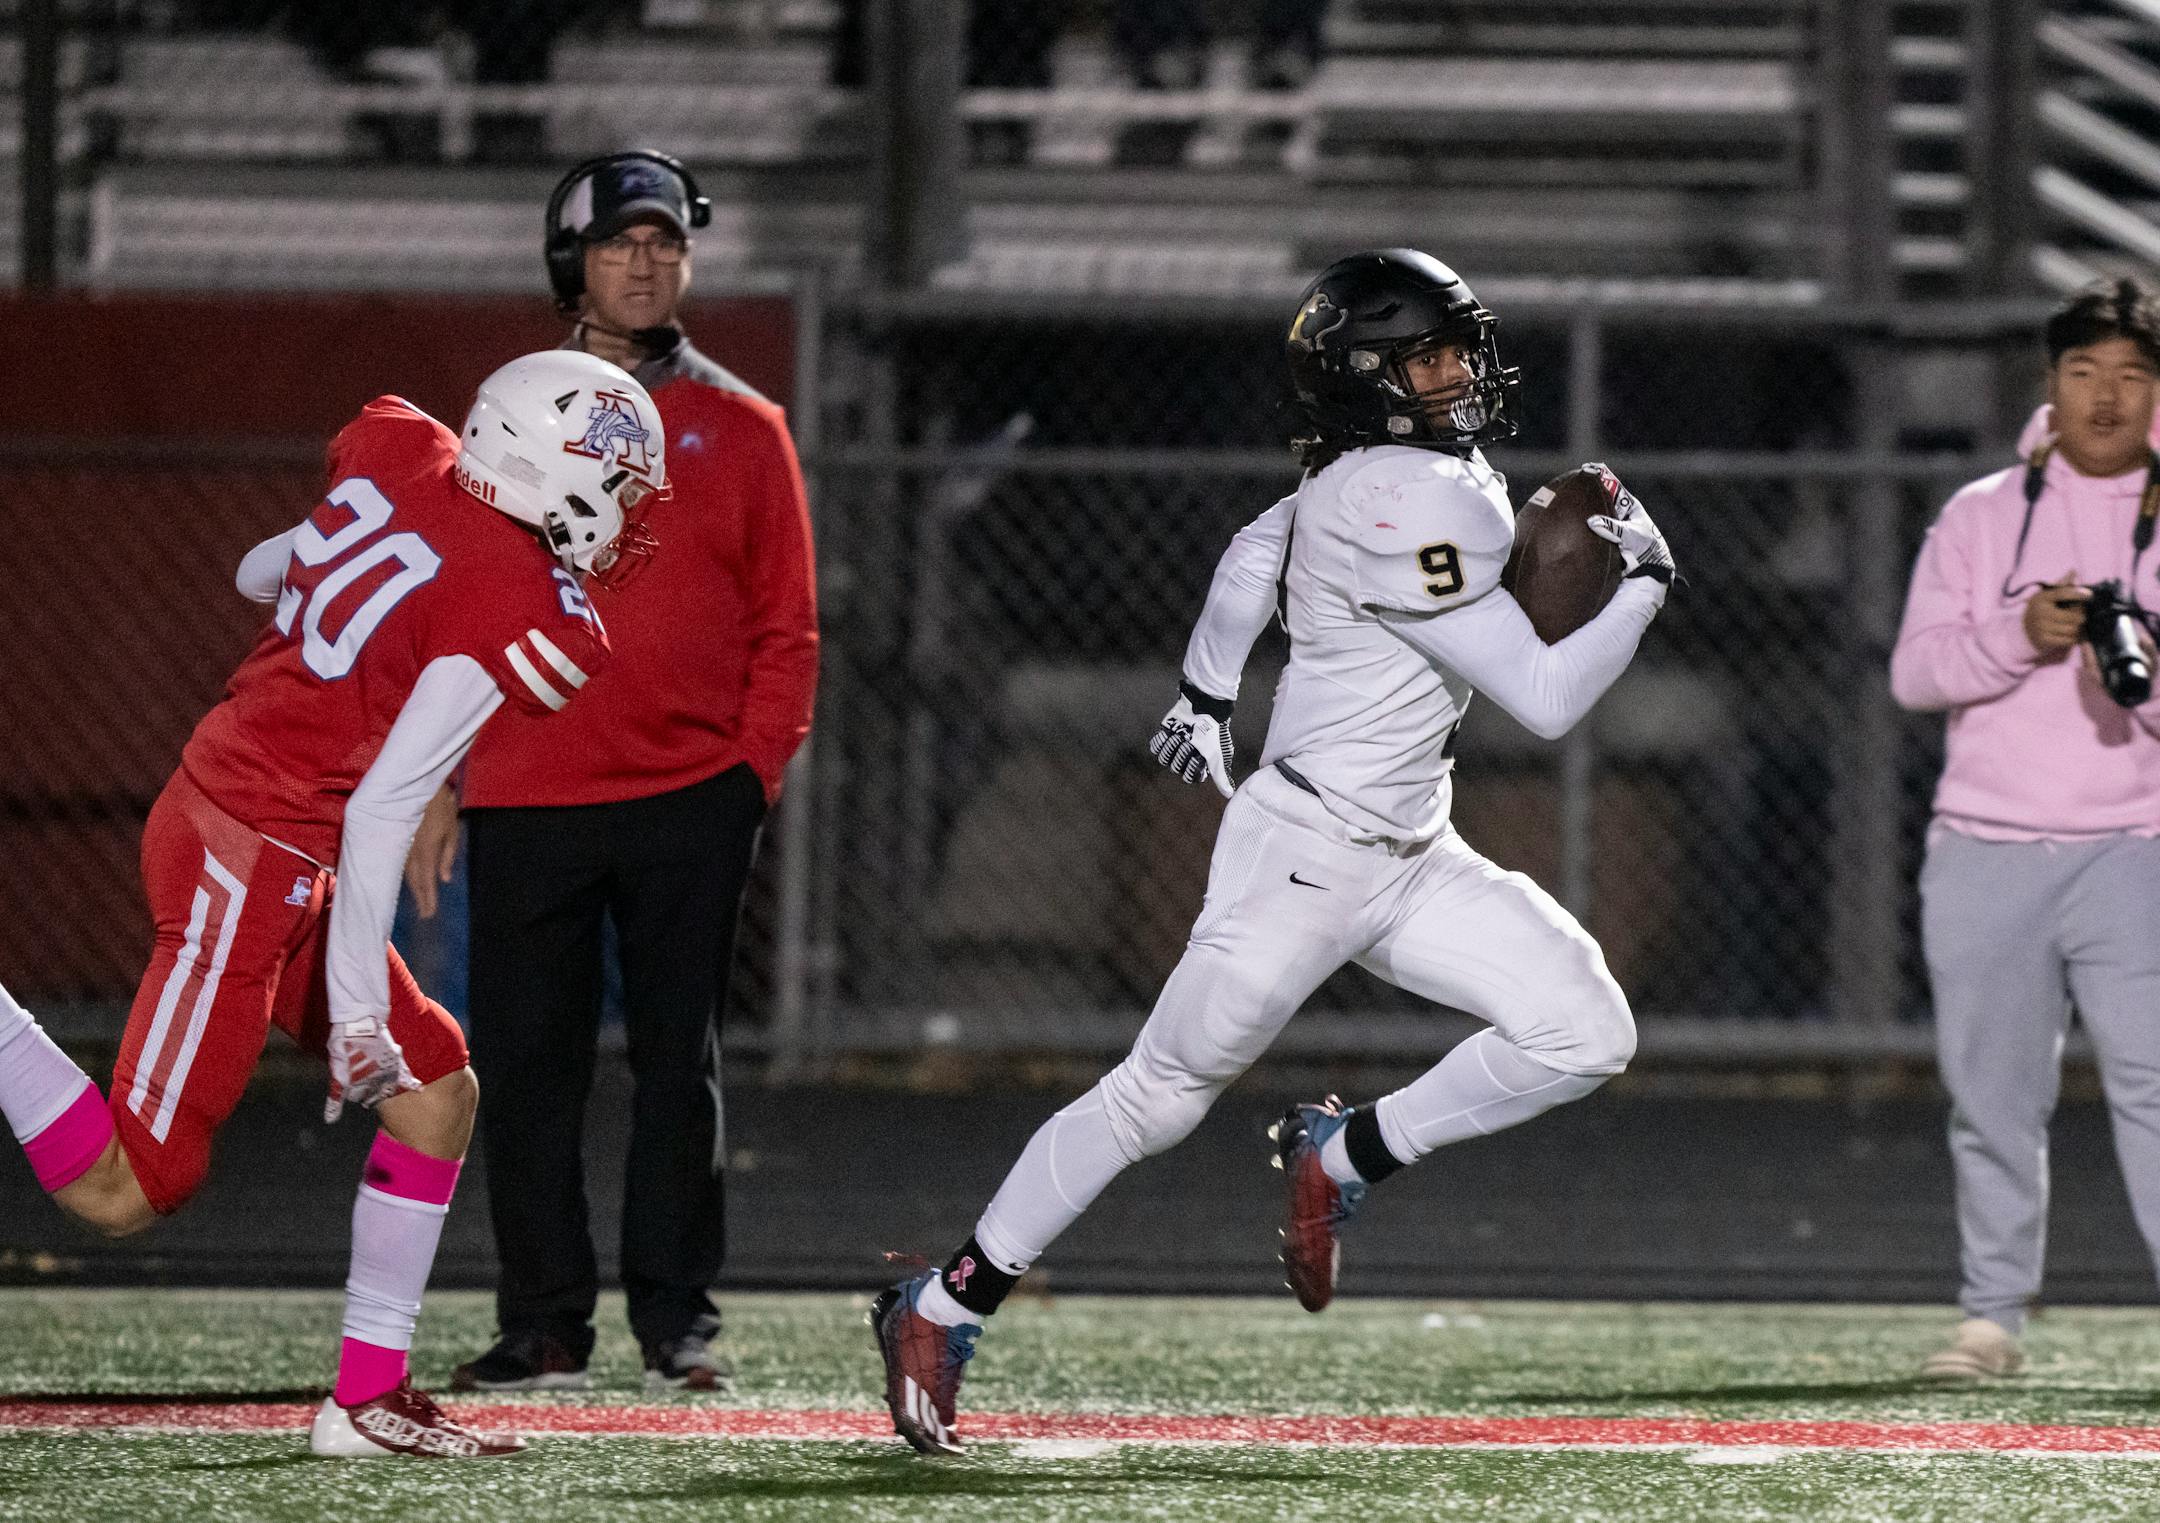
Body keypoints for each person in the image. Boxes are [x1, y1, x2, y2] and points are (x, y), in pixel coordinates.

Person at [869, 247, 1678, 1454]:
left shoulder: (1373, 477)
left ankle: (1344, 1151)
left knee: (1587, 1029)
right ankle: (941, 1302)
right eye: (1430, 355)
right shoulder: (1409, 494)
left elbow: (1257, 548)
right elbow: (1549, 698)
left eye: (1460, 347)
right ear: (1366, 378)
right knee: (1160, 1093)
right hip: (1303, 855)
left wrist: (1206, 689)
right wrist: (1649, 581)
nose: (1461, 372)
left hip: (1411, 845)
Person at [0, 349, 667, 1457]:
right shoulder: (509, 590)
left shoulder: (411, 450)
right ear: (555, 465)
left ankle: (363, 1399)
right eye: (624, 481)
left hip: (271, 837)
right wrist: (356, 1012)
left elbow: (263, 571)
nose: (630, 511)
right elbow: (379, 816)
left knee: (438, 1093)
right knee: (126, 1188)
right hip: (251, 848)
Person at [417, 150, 819, 1394]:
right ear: (570, 263)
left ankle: (675, 1317)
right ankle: (542, 1320)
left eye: (665, 241)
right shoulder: (499, 426)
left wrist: (745, 777)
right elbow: (451, 613)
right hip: (526, 791)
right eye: (617, 243)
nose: (645, 261)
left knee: (675, 1069)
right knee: (527, 1070)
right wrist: (438, 777)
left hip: (689, 802)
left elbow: (788, 629)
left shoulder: (746, 427)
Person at [1891, 278, 2160, 1381]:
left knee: (2155, 1088)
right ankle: (1992, 1315)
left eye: (2134, 375)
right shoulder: (1980, 513)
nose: (2107, 397)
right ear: (2050, 382)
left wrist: (2131, 664)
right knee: (1994, 1097)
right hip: (1986, 848)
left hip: (2136, 846)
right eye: (2085, 371)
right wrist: (2019, 634)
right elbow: (1915, 672)